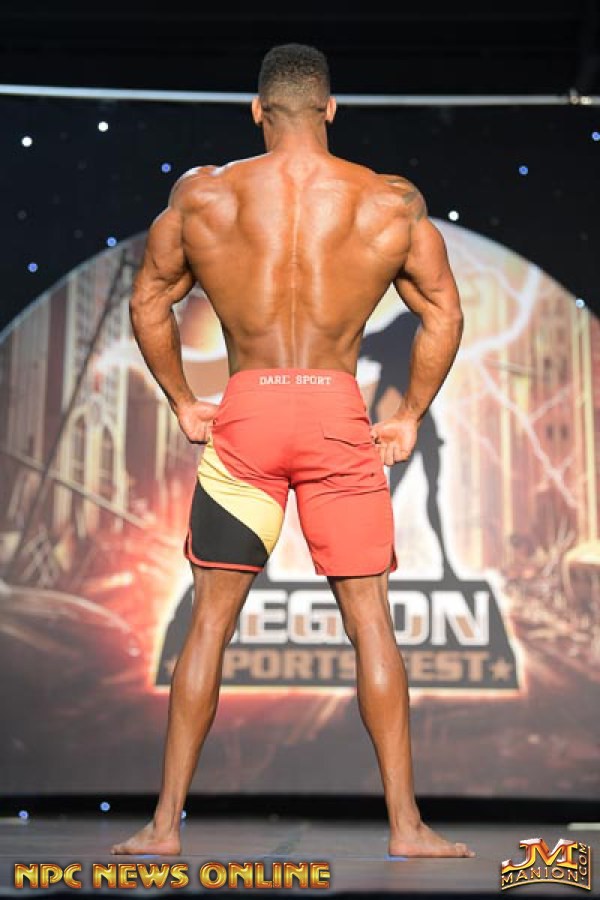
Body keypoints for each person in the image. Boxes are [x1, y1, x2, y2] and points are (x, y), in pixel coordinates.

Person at [112, 43, 470, 859]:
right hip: (337, 414)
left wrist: (182, 400)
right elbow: (444, 313)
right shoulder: (387, 201)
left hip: (249, 414)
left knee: (209, 622)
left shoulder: (205, 195)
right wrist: (410, 414)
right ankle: (406, 828)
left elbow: (148, 301)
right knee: (370, 622)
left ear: (257, 111)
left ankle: (163, 827)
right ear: (331, 108)